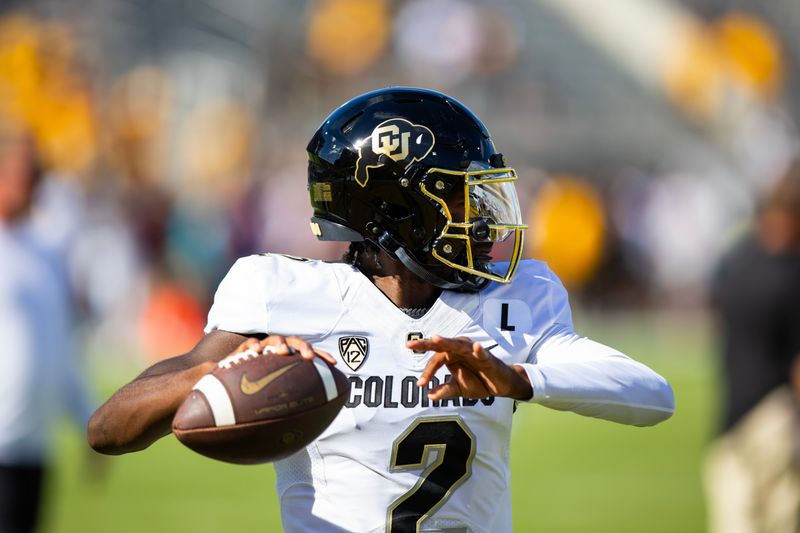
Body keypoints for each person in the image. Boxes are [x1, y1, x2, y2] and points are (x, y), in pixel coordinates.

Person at [88, 87, 674, 533]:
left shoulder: (514, 296)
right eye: (458, 196)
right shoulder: (282, 293)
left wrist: (518, 378)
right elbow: (109, 430)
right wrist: (228, 368)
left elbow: (652, 396)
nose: (483, 220)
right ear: (392, 211)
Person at [0, 129, 96, 533]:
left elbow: (60, 345)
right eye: (18, 171)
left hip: (35, 444)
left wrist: (87, 418)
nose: (28, 181)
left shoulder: (48, 252)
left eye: (33, 172)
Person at [705, 162, 800, 533]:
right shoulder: (792, 274)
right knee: (781, 520)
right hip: (777, 413)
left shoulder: (735, 260)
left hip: (730, 414)